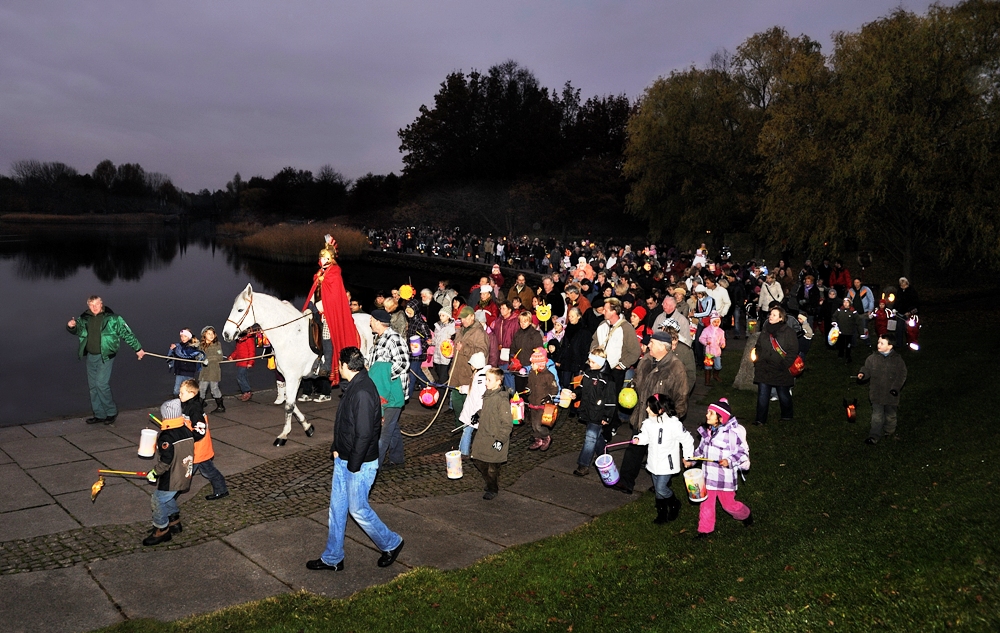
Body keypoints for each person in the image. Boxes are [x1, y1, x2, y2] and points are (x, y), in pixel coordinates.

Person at [307, 347, 404, 572]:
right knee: (337, 509)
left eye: (338, 364)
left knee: (358, 509)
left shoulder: (361, 391)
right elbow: (344, 423)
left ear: (344, 366)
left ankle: (391, 543)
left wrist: (353, 465)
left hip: (358, 464)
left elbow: (364, 434)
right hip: (346, 458)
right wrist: (336, 448)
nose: (337, 368)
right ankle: (333, 558)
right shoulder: (355, 386)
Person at [613, 331, 689, 495]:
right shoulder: (646, 360)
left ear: (663, 347)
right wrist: (631, 389)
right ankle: (626, 482)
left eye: (652, 343)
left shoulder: (676, 368)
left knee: (661, 453)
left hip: (662, 422)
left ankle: (661, 483)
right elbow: (636, 380)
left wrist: (671, 420)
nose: (648, 346)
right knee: (634, 448)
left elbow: (681, 397)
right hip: (642, 415)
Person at [66, 295, 145, 425]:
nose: (94, 307)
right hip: (91, 355)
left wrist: (138, 349)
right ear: (88, 306)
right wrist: (71, 326)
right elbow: (78, 331)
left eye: (96, 304)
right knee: (93, 387)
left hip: (106, 355)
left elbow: (127, 333)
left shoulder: (113, 319)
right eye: (91, 305)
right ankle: (99, 414)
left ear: (101, 303)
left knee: (101, 384)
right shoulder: (84, 318)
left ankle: (111, 412)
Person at [684, 398, 753, 538]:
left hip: (724, 479)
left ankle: (745, 514)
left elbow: (741, 453)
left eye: (711, 413)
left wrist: (729, 460)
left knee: (728, 505)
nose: (707, 415)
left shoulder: (731, 436)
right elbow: (701, 451)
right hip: (708, 477)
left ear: (720, 418)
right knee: (706, 504)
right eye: (707, 412)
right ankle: (705, 530)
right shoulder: (707, 433)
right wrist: (691, 460)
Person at [303, 237, 360, 386]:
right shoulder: (321, 272)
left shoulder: (334, 272)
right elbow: (316, 290)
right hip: (318, 306)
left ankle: (327, 364)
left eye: (324, 257)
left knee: (327, 331)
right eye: (320, 257)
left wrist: (319, 305)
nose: (321, 259)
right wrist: (310, 303)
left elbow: (333, 294)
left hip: (329, 310)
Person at [631, 394, 694, 523]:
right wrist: (639, 439)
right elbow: (645, 436)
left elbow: (687, 440)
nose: (647, 410)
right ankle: (662, 513)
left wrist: (687, 457)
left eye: (650, 407)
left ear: (660, 410)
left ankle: (674, 503)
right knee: (658, 489)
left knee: (660, 488)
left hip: (667, 464)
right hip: (654, 462)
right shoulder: (648, 423)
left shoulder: (673, 424)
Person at [142, 398, 194, 546]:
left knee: (158, 499)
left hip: (172, 476)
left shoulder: (166, 437)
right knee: (168, 497)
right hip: (184, 472)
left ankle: (162, 529)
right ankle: (174, 521)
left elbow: (166, 461)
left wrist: (154, 472)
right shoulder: (186, 430)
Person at [178, 379, 228, 501]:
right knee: (208, 470)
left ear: (191, 394)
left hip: (197, 448)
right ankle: (221, 490)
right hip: (197, 448)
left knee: (185, 474)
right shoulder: (189, 405)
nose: (179, 395)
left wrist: (188, 438)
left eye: (182, 393)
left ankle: (170, 496)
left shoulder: (194, 409)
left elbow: (200, 430)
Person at [571, 348, 617, 477]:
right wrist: (576, 393)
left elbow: (611, 400)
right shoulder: (588, 373)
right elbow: (582, 386)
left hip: (598, 412)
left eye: (592, 362)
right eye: (589, 361)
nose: (589, 364)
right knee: (596, 437)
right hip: (588, 409)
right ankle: (604, 455)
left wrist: (607, 416)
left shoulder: (607, 379)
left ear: (601, 363)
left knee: (590, 438)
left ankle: (583, 465)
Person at [470, 367, 514, 500]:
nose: (485, 382)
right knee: (478, 459)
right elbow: (486, 410)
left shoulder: (501, 400)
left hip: (496, 437)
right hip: (484, 435)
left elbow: (507, 424)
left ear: (498, 382)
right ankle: (490, 481)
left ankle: (492, 488)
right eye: (486, 379)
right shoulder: (488, 394)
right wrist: (478, 414)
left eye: (489, 380)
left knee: (492, 467)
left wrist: (500, 440)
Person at [857, 333, 907, 445]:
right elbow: (866, 369)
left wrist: (896, 388)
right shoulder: (872, 358)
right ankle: (874, 435)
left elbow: (902, 375)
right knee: (877, 416)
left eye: (882, 343)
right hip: (876, 393)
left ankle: (889, 431)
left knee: (890, 414)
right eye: (878, 342)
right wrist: (862, 374)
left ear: (890, 346)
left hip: (891, 394)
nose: (878, 345)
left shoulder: (897, 360)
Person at [752, 305, 798, 425]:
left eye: (774, 315)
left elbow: (793, 351)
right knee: (762, 395)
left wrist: (785, 364)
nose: (770, 317)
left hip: (780, 369)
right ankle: (760, 419)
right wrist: (757, 358)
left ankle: (787, 415)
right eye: (770, 314)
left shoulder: (789, 332)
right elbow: (759, 346)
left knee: (783, 394)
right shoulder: (765, 329)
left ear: (780, 318)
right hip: (764, 368)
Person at [448, 306, 490, 429]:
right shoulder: (460, 331)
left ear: (472, 316)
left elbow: (483, 352)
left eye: (465, 318)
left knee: (469, 406)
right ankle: (459, 428)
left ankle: (467, 430)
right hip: (457, 373)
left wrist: (465, 348)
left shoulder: (479, 333)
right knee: (456, 403)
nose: (463, 321)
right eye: (461, 319)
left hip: (469, 375)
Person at [526, 347, 559, 451]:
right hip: (533, 401)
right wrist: (528, 390)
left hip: (543, 404)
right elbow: (530, 385)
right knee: (533, 425)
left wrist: (549, 397)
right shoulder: (532, 373)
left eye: (533, 363)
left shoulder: (548, 376)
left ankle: (546, 436)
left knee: (539, 424)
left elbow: (554, 388)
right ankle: (538, 439)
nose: (531, 365)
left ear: (540, 364)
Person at [458, 352, 490, 456]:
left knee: (467, 430)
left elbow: (479, 395)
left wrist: (476, 413)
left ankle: (464, 452)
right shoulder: (481, 376)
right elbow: (473, 390)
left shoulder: (480, 379)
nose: (470, 366)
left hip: (474, 410)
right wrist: (463, 389)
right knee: (469, 430)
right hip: (474, 410)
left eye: (471, 364)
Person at [167, 329, 205, 396]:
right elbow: (170, 356)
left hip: (189, 372)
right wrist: (171, 350)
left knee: (190, 390)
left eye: (185, 336)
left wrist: (175, 349)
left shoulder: (194, 346)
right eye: (181, 336)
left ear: (189, 337)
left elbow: (186, 353)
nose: (183, 338)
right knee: (176, 390)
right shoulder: (178, 346)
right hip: (180, 372)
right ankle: (177, 404)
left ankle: (192, 404)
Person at [198, 326, 226, 413]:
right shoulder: (201, 345)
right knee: (201, 389)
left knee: (214, 388)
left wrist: (209, 359)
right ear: (204, 335)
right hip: (204, 371)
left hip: (214, 370)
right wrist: (199, 357)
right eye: (208, 333)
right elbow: (198, 355)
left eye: (212, 333)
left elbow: (220, 357)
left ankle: (220, 406)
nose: (211, 335)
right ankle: (199, 407)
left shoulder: (217, 344)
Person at [228, 328, 258, 402]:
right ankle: (247, 392)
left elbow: (252, 352)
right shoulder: (239, 340)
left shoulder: (249, 339)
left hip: (245, 362)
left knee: (240, 376)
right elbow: (237, 351)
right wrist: (232, 356)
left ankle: (247, 391)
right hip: (240, 362)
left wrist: (250, 362)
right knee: (243, 377)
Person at [430, 307, 457, 387]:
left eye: (443, 315)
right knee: (438, 373)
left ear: (448, 316)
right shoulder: (437, 326)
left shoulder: (452, 328)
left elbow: (454, 340)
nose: (441, 317)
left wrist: (451, 340)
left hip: (446, 355)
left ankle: (443, 393)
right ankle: (443, 389)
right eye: (440, 315)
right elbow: (435, 339)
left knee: (443, 376)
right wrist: (431, 342)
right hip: (437, 354)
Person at [698, 311, 726, 385]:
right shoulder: (706, 330)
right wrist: (706, 342)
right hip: (709, 352)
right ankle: (707, 381)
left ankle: (715, 375)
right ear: (711, 322)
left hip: (717, 352)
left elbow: (722, 339)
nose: (716, 323)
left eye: (717, 321)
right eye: (714, 322)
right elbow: (701, 338)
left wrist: (722, 344)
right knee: (708, 366)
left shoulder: (721, 331)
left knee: (718, 366)